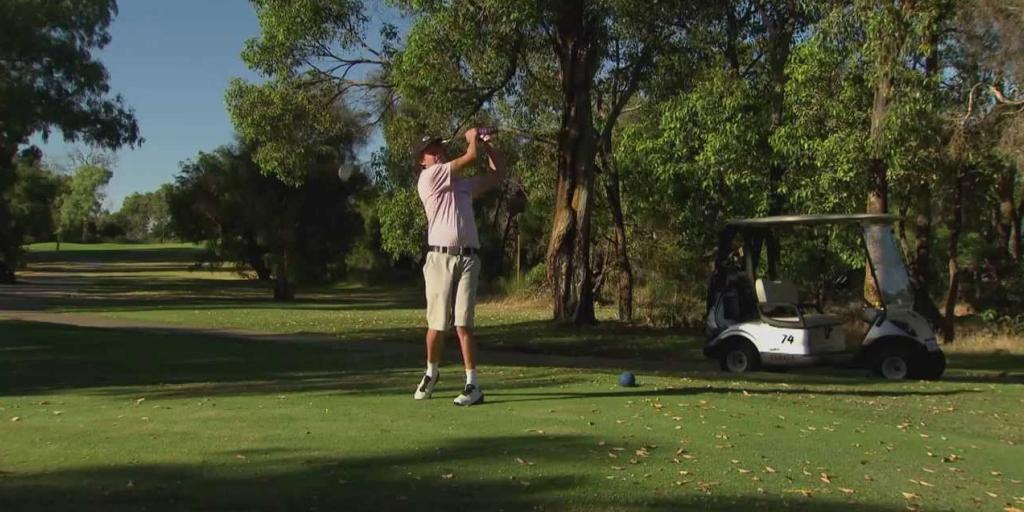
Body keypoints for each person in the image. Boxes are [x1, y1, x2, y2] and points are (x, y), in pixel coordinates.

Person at [413, 128, 506, 406]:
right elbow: (469, 156)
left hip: (468, 259)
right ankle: (431, 373)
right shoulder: (428, 178)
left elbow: (497, 174)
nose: (438, 152)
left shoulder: (462, 185)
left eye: (439, 148)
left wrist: (488, 143)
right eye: (432, 151)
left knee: (463, 323)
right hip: (439, 258)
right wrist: (472, 139)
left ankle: (472, 385)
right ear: (422, 160)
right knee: (437, 324)